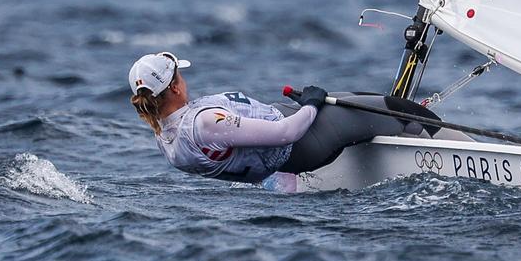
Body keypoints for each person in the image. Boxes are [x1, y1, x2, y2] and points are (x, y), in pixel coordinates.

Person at [127, 52, 439, 185]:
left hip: (289, 150)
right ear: (174, 87)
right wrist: (312, 106)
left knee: (359, 96)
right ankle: (455, 150)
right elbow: (286, 133)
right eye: (180, 74)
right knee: (398, 108)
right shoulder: (205, 125)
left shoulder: (165, 137)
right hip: (306, 140)